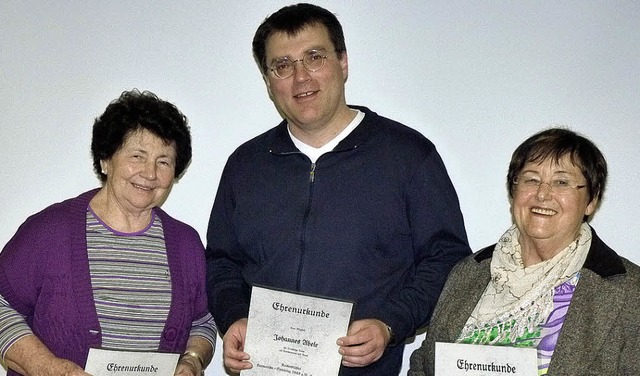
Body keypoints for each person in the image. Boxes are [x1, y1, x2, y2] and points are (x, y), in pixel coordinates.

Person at [205, 3, 470, 375]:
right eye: (282, 65)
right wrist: (233, 317)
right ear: (268, 81)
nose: (300, 77)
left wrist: (390, 325)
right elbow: (221, 262)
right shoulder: (245, 165)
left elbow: (446, 259)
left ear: (343, 62)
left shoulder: (408, 156)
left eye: (314, 57)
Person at [0, 90, 216, 376]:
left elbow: (203, 322)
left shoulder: (185, 244)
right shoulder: (49, 232)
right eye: (137, 156)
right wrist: (49, 368)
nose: (150, 173)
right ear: (106, 160)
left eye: (163, 161)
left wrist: (191, 360)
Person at [408, 128, 640, 375]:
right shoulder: (468, 272)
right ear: (513, 191)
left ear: (591, 200)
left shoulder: (629, 293)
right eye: (531, 179)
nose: (542, 194)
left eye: (561, 182)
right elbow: (424, 366)